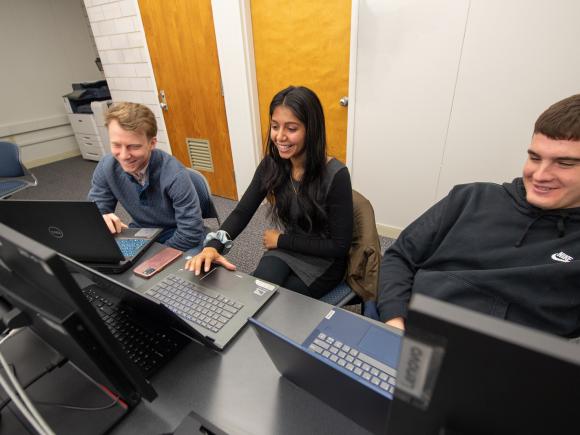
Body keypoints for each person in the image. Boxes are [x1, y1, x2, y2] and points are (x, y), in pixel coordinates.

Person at [377, 94, 580, 337]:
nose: (540, 175)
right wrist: (394, 321)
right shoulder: (469, 198)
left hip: (502, 364)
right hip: (410, 331)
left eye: (565, 163)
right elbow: (400, 256)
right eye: (535, 158)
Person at [186, 86, 353, 298]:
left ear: (312, 130)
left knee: (278, 302)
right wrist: (213, 245)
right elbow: (242, 212)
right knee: (258, 289)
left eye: (291, 129)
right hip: (289, 249)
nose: (280, 136)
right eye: (275, 126)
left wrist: (281, 240)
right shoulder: (272, 165)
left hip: (324, 262)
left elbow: (339, 247)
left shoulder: (337, 175)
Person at [88, 102, 204, 252]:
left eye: (134, 146)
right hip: (142, 231)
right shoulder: (106, 167)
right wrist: (101, 217)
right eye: (116, 145)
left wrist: (152, 257)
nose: (123, 156)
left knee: (177, 272)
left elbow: (190, 233)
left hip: (179, 234)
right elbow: (95, 210)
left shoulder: (175, 175)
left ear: (152, 143)